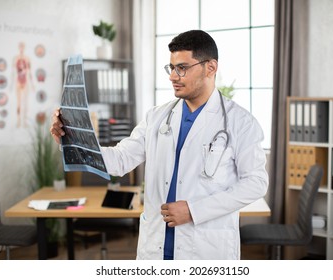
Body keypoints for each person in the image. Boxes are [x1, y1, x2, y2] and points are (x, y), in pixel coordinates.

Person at [50, 30, 268, 260]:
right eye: (171, 67)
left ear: (210, 68)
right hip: (156, 246)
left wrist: (194, 211)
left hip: (206, 248)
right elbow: (120, 160)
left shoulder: (240, 122)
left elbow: (256, 183)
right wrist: (71, 140)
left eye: (182, 68)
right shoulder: (157, 117)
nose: (173, 76)